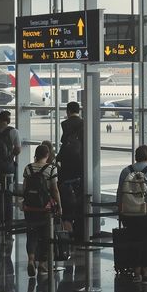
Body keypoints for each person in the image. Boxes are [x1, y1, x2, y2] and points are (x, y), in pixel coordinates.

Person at [116, 145, 147, 284]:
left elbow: (120, 192)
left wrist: (120, 209)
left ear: (135, 156)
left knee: (133, 241)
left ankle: (136, 272)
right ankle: (146, 273)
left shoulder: (126, 171)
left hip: (130, 212)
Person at [21, 144, 61, 278]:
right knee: (45, 236)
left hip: (30, 208)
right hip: (45, 208)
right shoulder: (51, 169)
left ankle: (31, 260)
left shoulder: (28, 168)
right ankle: (42, 263)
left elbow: (25, 188)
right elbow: (54, 189)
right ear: (47, 155)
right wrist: (59, 205)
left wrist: (24, 202)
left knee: (31, 235)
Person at [58, 102, 85, 241]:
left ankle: (68, 232)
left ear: (68, 111)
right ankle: (80, 232)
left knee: (66, 202)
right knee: (80, 202)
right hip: (81, 168)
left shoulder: (65, 124)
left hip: (66, 170)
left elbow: (63, 142)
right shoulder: (83, 124)